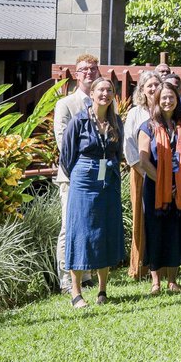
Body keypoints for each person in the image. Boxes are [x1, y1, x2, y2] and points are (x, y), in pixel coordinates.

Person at [59, 77, 124, 308]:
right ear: (92, 93)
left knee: (104, 231)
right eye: (100, 90)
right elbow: (66, 157)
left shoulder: (116, 121)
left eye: (109, 90)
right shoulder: (79, 121)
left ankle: (102, 290)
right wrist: (84, 171)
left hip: (108, 181)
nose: (105, 94)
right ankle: (76, 293)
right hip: (83, 181)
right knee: (81, 232)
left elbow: (118, 153)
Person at [138, 81, 181, 294]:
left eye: (171, 97)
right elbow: (144, 160)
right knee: (155, 231)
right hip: (155, 187)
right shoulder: (147, 126)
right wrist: (165, 182)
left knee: (175, 231)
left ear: (178, 99)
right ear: (156, 100)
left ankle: (173, 280)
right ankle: (155, 281)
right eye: (163, 97)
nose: (167, 101)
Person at [53, 53, 99, 293]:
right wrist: (82, 167)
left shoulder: (103, 102)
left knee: (89, 223)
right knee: (69, 226)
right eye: (84, 69)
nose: (89, 72)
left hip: (95, 178)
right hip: (72, 175)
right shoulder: (66, 104)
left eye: (92, 68)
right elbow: (63, 141)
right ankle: (66, 279)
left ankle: (88, 273)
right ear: (76, 73)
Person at [124, 70, 162, 281]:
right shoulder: (135, 113)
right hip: (140, 172)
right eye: (150, 85)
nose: (154, 88)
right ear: (142, 89)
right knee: (141, 217)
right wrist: (142, 169)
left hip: (164, 174)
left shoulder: (166, 109)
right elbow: (128, 144)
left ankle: (162, 266)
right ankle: (139, 267)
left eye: (157, 84)